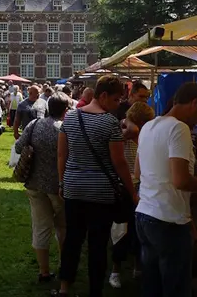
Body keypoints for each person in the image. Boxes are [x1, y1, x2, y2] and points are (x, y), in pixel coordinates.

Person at [54, 76, 138, 297]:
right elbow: (119, 162)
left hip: (73, 187)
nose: (119, 103)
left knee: (73, 239)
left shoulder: (70, 118)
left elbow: (62, 154)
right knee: (97, 244)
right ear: (103, 96)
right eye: (116, 99)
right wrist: (132, 191)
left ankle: (64, 287)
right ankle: (95, 291)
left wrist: (62, 181)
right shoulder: (109, 123)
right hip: (101, 192)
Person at [135, 82, 197, 297]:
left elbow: (137, 170)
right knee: (176, 288)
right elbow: (180, 180)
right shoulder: (178, 128)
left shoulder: (148, 126)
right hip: (168, 220)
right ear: (194, 103)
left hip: (145, 214)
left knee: (152, 286)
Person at [15, 93, 70, 284]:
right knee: (63, 228)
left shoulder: (34, 125)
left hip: (35, 184)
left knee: (40, 228)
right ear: (65, 110)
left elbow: (18, 147)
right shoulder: (65, 128)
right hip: (60, 186)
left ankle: (44, 272)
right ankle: (65, 268)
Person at [109, 101, 155, 289]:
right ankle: (115, 271)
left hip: (142, 187)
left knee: (139, 231)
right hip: (124, 187)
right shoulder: (122, 131)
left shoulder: (145, 135)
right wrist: (127, 133)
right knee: (121, 230)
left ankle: (137, 267)